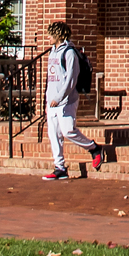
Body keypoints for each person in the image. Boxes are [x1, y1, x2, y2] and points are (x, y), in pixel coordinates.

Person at [41, 21, 104, 180]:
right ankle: (60, 167)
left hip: (67, 100)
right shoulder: (52, 52)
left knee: (68, 130)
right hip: (52, 101)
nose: (48, 37)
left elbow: (71, 79)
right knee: (53, 134)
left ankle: (94, 148)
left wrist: (59, 97)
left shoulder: (69, 53)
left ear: (58, 35)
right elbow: (50, 78)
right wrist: (47, 101)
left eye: (50, 34)